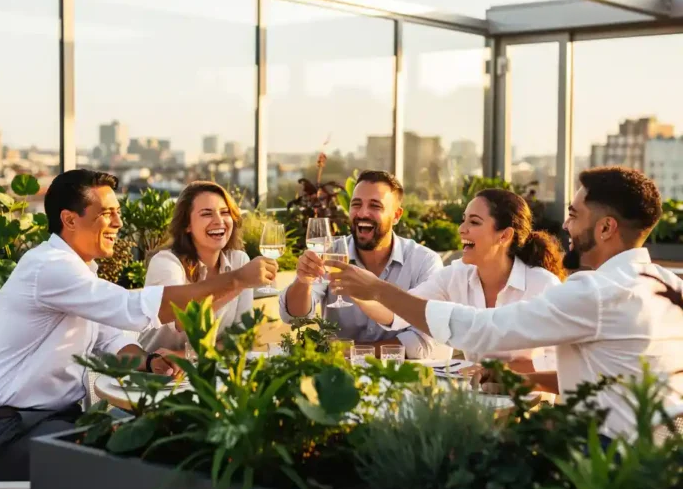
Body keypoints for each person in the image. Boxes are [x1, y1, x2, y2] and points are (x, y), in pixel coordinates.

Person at [327, 167, 683, 439]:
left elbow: (485, 331)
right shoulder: (669, 286)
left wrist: (378, 289)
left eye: (574, 215)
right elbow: (612, 379)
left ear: (605, 229)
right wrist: (526, 381)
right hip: (655, 465)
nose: (564, 224)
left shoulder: (595, 292)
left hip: (598, 463)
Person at [0, 170, 277, 481]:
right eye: (107, 213)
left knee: (165, 440)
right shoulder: (50, 268)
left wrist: (151, 361)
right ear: (70, 219)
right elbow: (134, 308)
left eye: (118, 212)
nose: (119, 223)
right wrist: (237, 279)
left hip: (59, 422)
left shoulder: (81, 271)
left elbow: (111, 342)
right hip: (9, 436)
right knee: (145, 457)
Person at [353, 188, 564, 371]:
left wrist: (502, 372)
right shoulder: (456, 275)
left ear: (504, 236)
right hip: (478, 397)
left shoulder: (543, 285)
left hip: (531, 403)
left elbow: (558, 362)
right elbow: (399, 312)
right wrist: (355, 289)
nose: (462, 229)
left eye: (474, 222)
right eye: (464, 219)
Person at [279, 170, 444, 359]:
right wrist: (303, 281)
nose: (363, 213)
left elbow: (424, 342)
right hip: (339, 378)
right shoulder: (330, 254)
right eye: (356, 204)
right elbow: (294, 317)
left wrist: (351, 352)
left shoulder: (424, 262)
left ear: (396, 215)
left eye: (375, 206)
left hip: (401, 377)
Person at [140, 181, 253, 352]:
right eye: (207, 214)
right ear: (187, 225)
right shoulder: (166, 263)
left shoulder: (239, 261)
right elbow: (183, 321)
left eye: (225, 212)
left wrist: (185, 357)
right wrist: (238, 283)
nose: (219, 221)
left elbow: (242, 335)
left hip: (207, 369)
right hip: (154, 372)